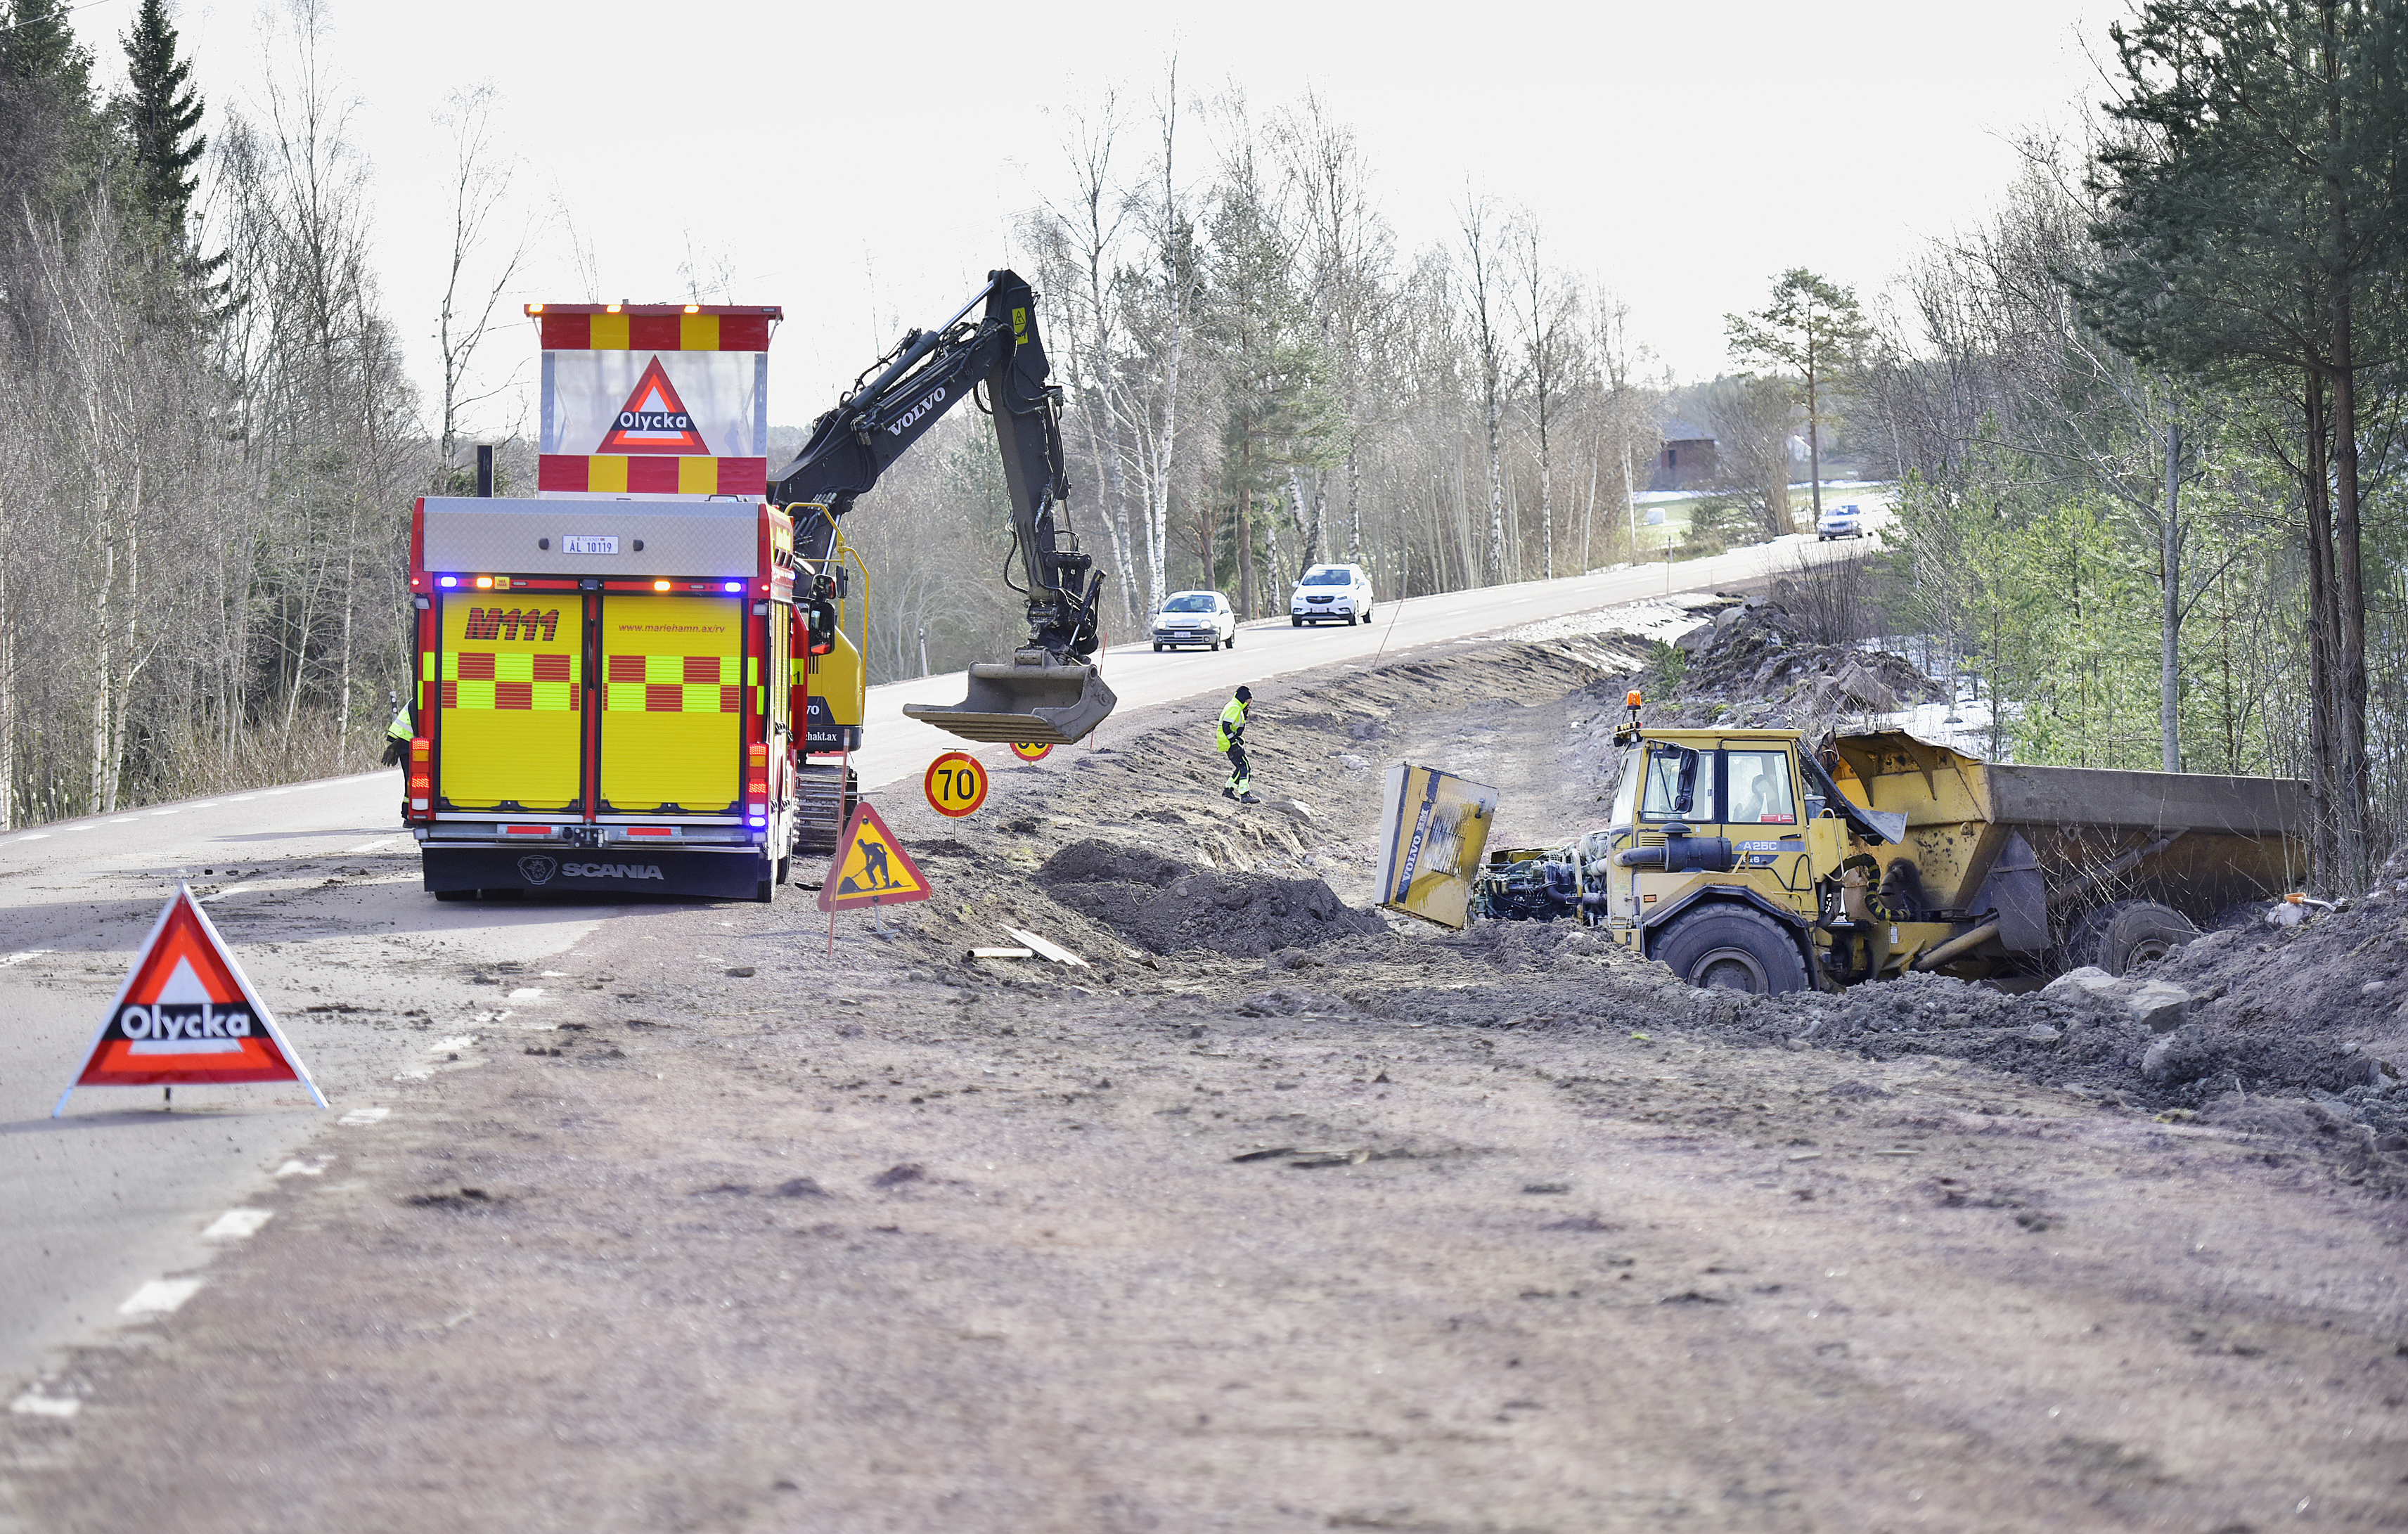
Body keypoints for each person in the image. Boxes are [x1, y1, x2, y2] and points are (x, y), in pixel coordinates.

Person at [1216, 685, 1258, 804]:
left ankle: (1228, 790)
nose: (1250, 704)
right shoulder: (1235, 708)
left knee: (1241, 767)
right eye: (1249, 702)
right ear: (1244, 699)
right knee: (1245, 767)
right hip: (1229, 743)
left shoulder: (1237, 706)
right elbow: (1226, 726)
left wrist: (1246, 711)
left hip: (1229, 742)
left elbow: (1238, 723)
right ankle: (1245, 794)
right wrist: (1234, 742)